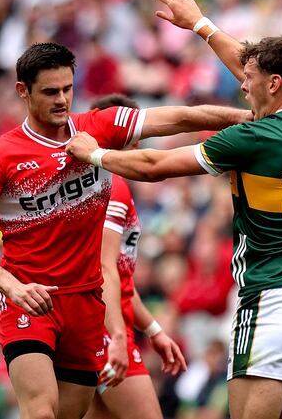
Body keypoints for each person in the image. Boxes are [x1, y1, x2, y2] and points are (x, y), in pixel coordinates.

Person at [66, 0, 282, 419]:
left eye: (249, 78)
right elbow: (255, 72)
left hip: (271, 304)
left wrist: (94, 154)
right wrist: (201, 25)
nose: (241, 84)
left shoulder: (251, 138)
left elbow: (155, 164)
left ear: (274, 84)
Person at [0, 42, 250, 419]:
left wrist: (247, 117)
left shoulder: (97, 128)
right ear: (22, 91)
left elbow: (178, 118)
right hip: (28, 297)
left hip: (86, 304)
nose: (62, 100)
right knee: (41, 413)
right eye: (50, 92)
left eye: (68, 89)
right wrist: (12, 287)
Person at [85, 93, 187, 419]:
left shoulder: (87, 187)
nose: (138, 147)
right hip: (105, 333)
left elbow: (120, 277)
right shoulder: (112, 185)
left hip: (90, 331)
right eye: (134, 138)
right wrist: (117, 336)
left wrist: (154, 330)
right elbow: (103, 270)